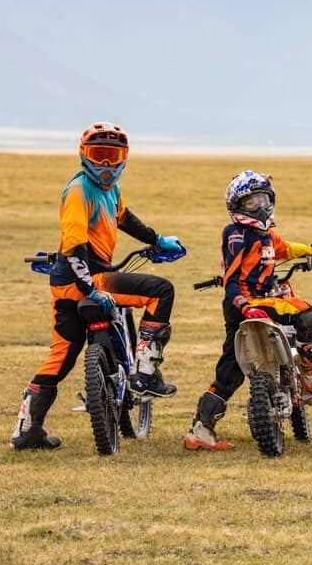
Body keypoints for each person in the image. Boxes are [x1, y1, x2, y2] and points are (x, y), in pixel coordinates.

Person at [11, 121, 185, 451]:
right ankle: (145, 373)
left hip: (64, 285)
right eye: (98, 155)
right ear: (84, 155)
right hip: (87, 278)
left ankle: (26, 429)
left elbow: (125, 219)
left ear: (123, 158)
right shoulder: (79, 192)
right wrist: (92, 288)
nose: (106, 164)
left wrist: (157, 239)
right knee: (161, 290)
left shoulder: (108, 192)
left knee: (62, 356)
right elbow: (75, 246)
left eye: (112, 155)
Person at [184, 170, 312, 452]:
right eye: (251, 202)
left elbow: (284, 248)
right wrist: (245, 306)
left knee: (230, 371)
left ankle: (200, 430)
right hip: (251, 302)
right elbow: (232, 281)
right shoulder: (238, 235)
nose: (259, 207)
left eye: (263, 199)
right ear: (236, 206)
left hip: (251, 304)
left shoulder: (265, 234)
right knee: (306, 313)